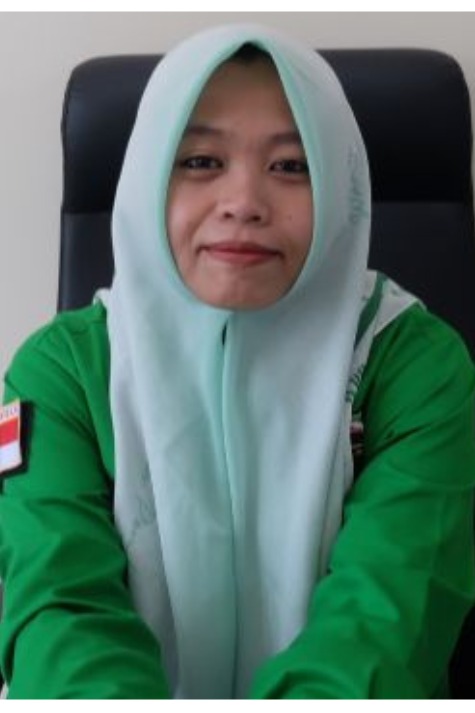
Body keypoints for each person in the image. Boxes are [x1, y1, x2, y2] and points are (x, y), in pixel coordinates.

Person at [0, 24, 474, 700]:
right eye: (200, 160)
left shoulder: (418, 368)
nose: (244, 203)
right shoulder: (59, 374)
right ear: (146, 177)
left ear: (341, 185)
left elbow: (383, 631)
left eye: (292, 166)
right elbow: (62, 619)